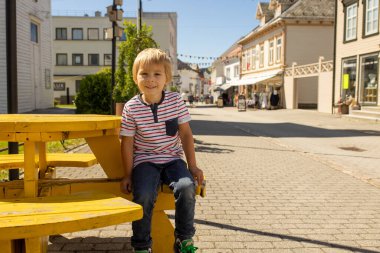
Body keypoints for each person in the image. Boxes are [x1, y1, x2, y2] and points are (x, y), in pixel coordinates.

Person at [119, 48, 204, 253]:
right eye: (144, 74)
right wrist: (127, 174)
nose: (150, 79)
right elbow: (127, 142)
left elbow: (185, 135)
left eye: (157, 74)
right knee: (144, 195)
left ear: (166, 78)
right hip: (144, 162)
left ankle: (183, 240)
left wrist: (192, 166)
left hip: (173, 160)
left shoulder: (175, 102)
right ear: (135, 77)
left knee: (186, 187)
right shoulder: (131, 108)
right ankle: (141, 246)